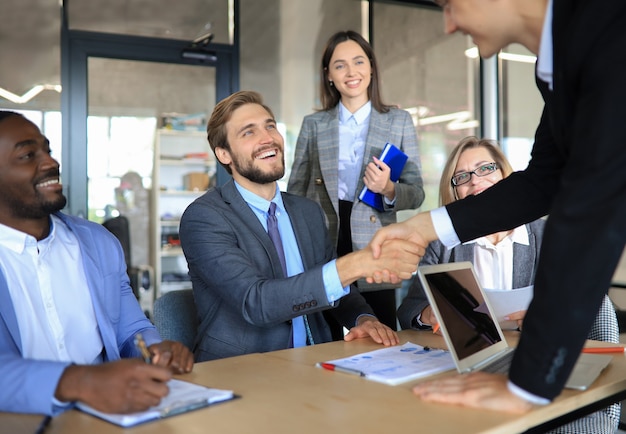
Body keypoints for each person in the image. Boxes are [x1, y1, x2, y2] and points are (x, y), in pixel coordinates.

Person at [368, 0, 626, 414]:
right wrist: (423, 227)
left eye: (450, 5)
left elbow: (589, 210)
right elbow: (543, 179)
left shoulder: (608, 36)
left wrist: (526, 386)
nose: (448, 25)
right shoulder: (559, 64)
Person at [179, 91, 421, 362]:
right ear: (224, 154)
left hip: (316, 360)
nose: (267, 138)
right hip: (242, 369)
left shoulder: (307, 212)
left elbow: (335, 288)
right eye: (248, 132)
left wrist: (362, 319)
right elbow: (257, 302)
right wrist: (355, 265)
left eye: (270, 126)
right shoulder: (205, 217)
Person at [397, 137, 619, 432]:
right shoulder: (442, 245)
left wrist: (546, 320)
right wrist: (429, 313)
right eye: (461, 177)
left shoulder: (547, 234)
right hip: (472, 360)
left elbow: (586, 303)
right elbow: (407, 311)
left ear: (506, 175)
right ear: (454, 192)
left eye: (485, 168)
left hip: (532, 355)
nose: (475, 181)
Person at [0, 111, 194, 416]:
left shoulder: (98, 242)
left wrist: (156, 350)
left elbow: (132, 330)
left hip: (110, 415)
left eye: (48, 150)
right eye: (27, 154)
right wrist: (78, 382)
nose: (51, 162)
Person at [288, 30, 424, 335]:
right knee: (327, 331)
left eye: (359, 61)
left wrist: (388, 188)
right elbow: (295, 191)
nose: (351, 72)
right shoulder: (314, 124)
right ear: (329, 75)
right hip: (324, 237)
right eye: (340, 65)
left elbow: (416, 192)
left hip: (375, 243)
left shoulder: (398, 120)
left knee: (381, 333)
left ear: (372, 67)